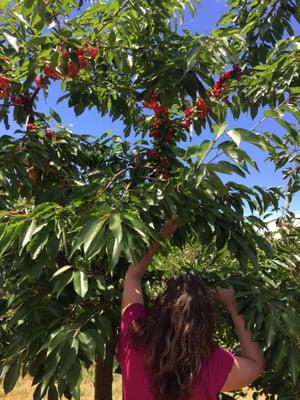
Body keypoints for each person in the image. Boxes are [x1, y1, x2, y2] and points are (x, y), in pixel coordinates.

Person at [116, 215, 265, 400]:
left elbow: (133, 276)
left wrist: (161, 235)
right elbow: (255, 364)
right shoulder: (211, 363)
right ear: (205, 319)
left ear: (161, 304)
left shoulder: (134, 338)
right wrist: (233, 307)